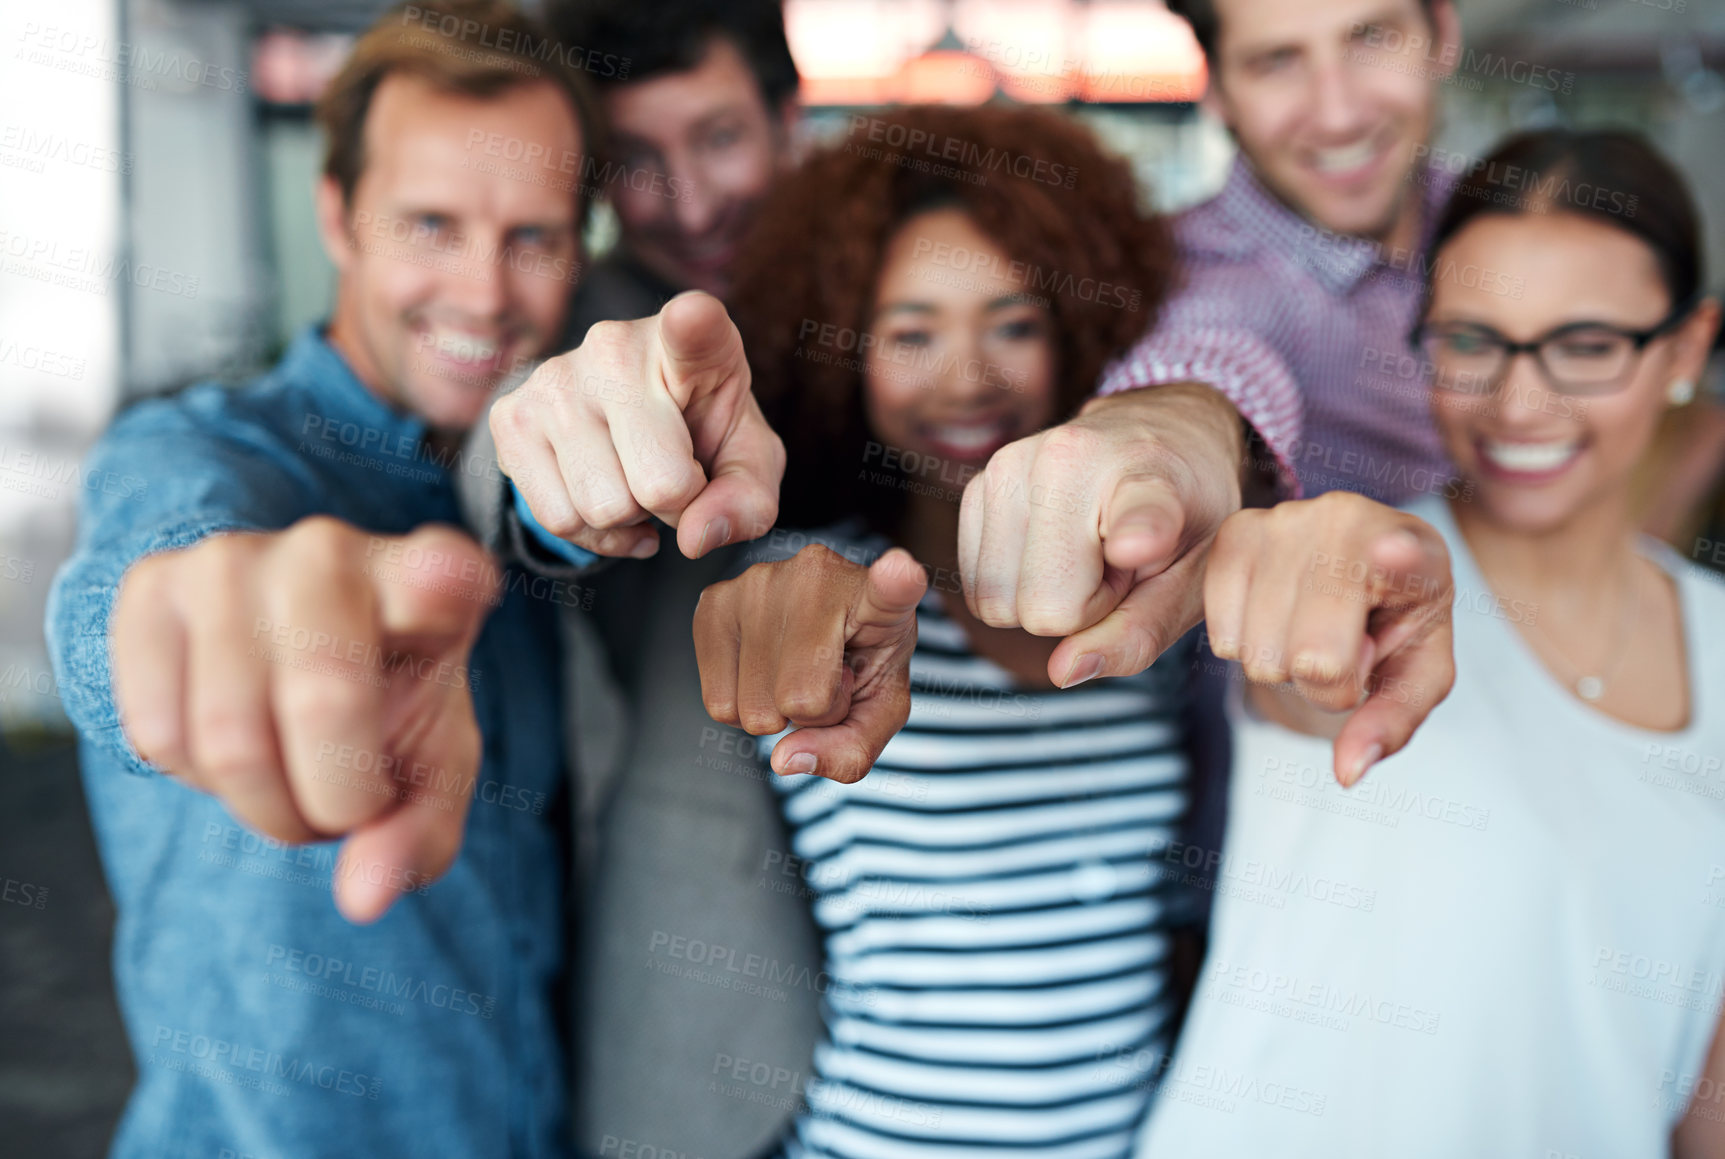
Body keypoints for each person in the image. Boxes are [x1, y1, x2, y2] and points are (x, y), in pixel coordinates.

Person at [39, 3, 776, 1155]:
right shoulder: (207, 452)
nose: (485, 294)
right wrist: (177, 615)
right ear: (336, 214)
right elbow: (150, 568)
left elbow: (536, 497)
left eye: (531, 237)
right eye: (431, 224)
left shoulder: (500, 466)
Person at [690, 103, 1454, 1158]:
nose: (969, 375)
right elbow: (763, 624)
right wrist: (780, 617)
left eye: (1013, 323)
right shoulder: (810, 577)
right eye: (911, 332)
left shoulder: (1149, 612)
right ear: (840, 352)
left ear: (1078, 339)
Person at [1136, 129, 1725, 1155]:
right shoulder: (1378, 590)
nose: (1520, 400)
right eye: (1473, 342)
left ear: (1684, 347)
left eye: (1585, 345)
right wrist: (1287, 546)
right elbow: (1313, 611)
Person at [545, 0, 800, 340]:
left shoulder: (878, 286)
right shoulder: (574, 341)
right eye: (633, 159)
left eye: (720, 138)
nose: (693, 217)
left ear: (786, 122)